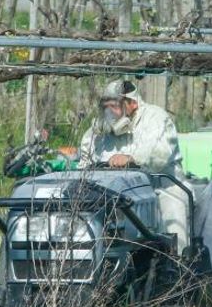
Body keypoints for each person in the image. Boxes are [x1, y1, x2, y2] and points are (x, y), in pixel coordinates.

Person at [78, 79, 190, 253]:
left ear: (131, 103)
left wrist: (132, 158)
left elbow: (160, 155)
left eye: (113, 106)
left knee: (174, 220)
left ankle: (179, 265)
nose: (108, 113)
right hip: (114, 196)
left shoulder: (156, 118)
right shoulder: (98, 131)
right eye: (105, 107)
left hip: (162, 188)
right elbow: (85, 160)